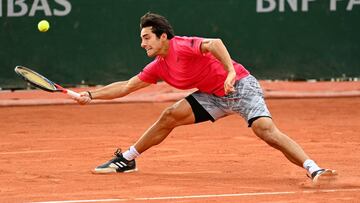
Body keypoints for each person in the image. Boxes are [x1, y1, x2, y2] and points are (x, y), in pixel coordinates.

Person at [75, 12, 336, 183]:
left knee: (264, 130)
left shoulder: (181, 45)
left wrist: (231, 72)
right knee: (170, 115)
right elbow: (127, 86)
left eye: (146, 37)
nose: (143, 43)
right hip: (212, 96)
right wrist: (90, 95)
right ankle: (127, 159)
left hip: (240, 86)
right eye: (141, 39)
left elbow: (214, 43)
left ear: (163, 36)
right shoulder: (158, 65)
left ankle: (314, 169)